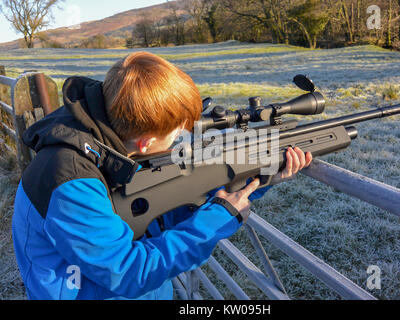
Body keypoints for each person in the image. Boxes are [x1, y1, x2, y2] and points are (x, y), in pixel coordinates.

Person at [12, 52, 312, 300]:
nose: (183, 141)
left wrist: (255, 177)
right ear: (146, 143)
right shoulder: (71, 181)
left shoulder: (109, 143)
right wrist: (217, 220)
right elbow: (129, 273)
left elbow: (154, 215)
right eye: (177, 135)